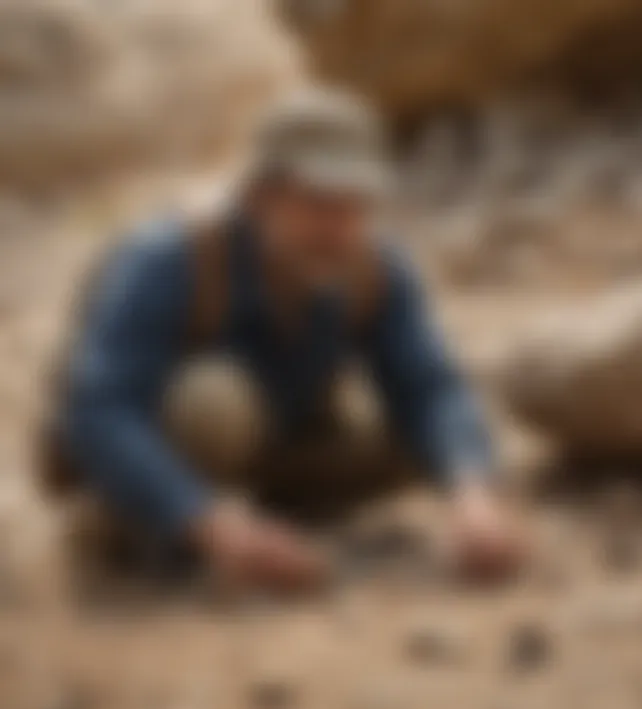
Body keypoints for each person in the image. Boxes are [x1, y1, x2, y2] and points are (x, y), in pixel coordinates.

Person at [59, 86, 524, 593]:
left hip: (286, 449)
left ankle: (273, 530)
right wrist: (213, 526)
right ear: (260, 196)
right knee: (214, 401)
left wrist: (473, 498)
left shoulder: (375, 266)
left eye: (357, 203)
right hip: (172, 457)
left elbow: (431, 387)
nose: (342, 226)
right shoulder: (169, 255)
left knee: (432, 443)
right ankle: (135, 531)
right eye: (320, 203)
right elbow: (99, 409)